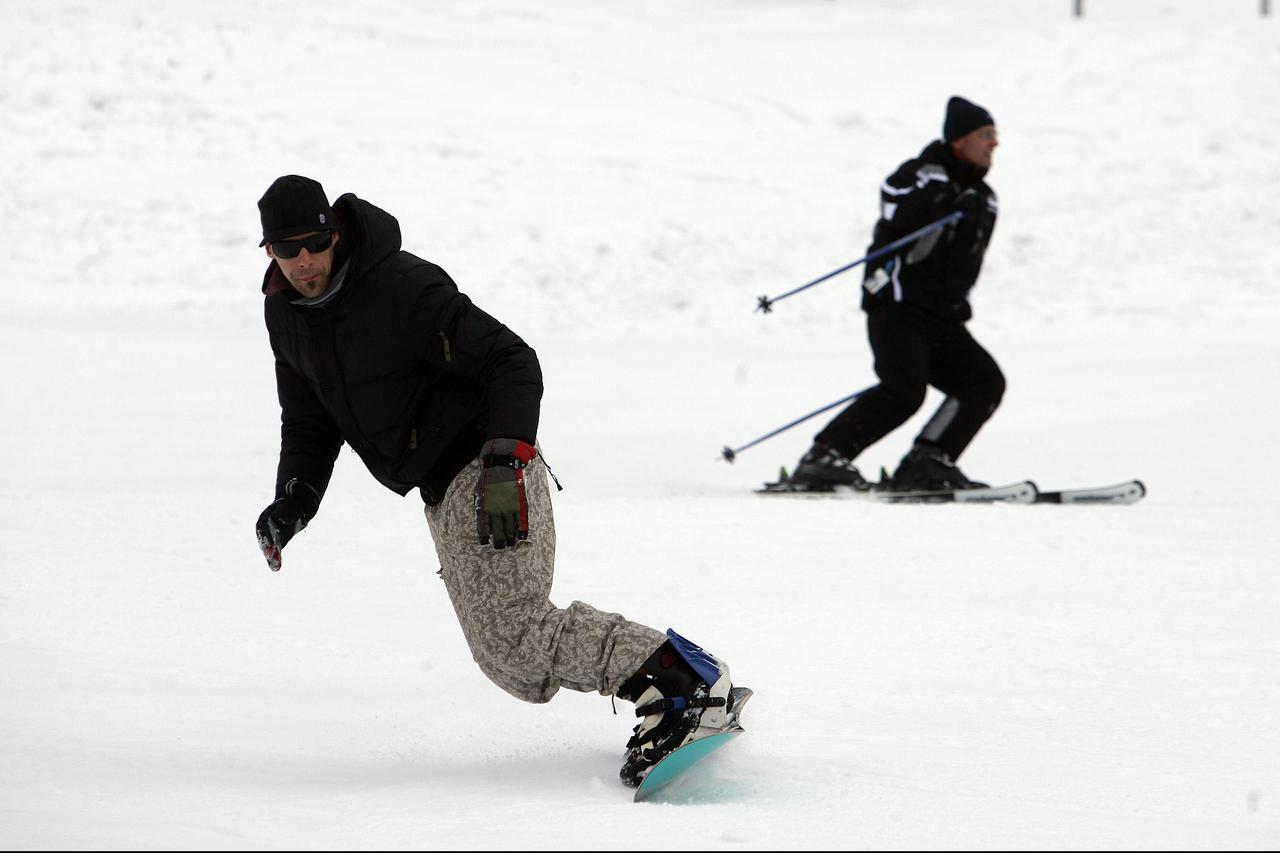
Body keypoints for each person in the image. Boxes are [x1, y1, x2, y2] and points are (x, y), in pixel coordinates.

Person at [250, 175, 749, 787]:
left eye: (313, 243)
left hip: (486, 468)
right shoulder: (286, 315)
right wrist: (294, 498)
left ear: (335, 231)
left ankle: (686, 687)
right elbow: (308, 418)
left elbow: (511, 358)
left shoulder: (401, 287)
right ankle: (677, 683)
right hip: (438, 489)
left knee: (517, 635)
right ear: (267, 251)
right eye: (285, 248)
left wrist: (506, 460)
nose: (303, 261)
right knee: (511, 660)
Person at [785, 96, 1005, 492]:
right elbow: (893, 202)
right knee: (903, 390)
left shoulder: (985, 199)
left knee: (984, 382)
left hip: (941, 317)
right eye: (986, 134)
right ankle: (824, 458)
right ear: (958, 140)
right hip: (897, 306)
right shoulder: (921, 175)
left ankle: (929, 459)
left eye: (995, 135)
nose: (995, 143)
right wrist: (941, 198)